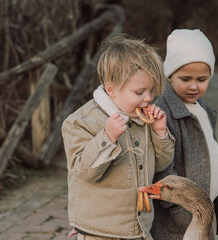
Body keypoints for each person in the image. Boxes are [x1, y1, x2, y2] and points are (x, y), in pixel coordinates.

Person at [61, 34, 175, 240]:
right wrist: (107, 137)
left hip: (139, 227)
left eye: (151, 90)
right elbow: (83, 171)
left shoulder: (144, 120)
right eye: (139, 91)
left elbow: (160, 165)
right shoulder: (82, 122)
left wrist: (160, 132)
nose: (148, 98)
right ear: (111, 89)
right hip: (99, 231)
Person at [152, 29, 218, 239]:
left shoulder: (203, 109)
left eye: (202, 79)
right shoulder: (164, 112)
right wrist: (177, 209)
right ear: (169, 74)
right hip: (179, 215)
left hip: (202, 208)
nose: (193, 86)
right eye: (185, 78)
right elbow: (162, 167)